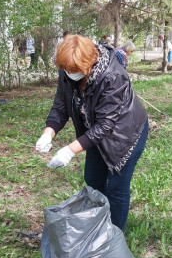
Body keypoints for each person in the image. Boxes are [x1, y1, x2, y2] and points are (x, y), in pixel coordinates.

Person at [35, 35, 149, 232]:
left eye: (74, 70)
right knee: (93, 180)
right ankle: (98, 226)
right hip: (94, 132)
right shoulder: (68, 72)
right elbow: (60, 106)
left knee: (116, 187)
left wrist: (69, 151)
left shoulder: (113, 76)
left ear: (89, 62)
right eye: (66, 70)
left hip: (125, 134)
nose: (70, 74)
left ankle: (113, 238)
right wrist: (48, 133)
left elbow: (106, 125)